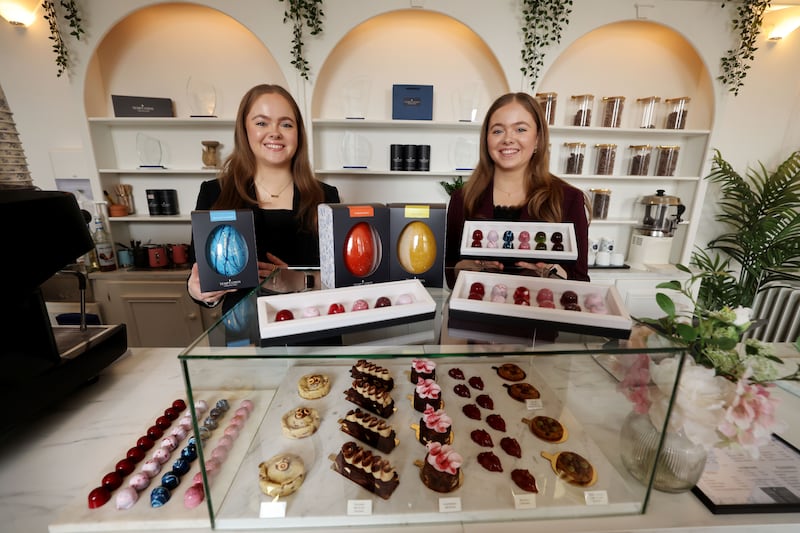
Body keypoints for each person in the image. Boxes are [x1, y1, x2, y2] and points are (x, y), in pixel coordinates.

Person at [187, 84, 340, 312]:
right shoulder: (214, 193)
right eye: (261, 123)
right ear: (244, 130)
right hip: (245, 333)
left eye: (286, 124)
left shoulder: (325, 196)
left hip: (312, 328)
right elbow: (198, 274)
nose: (275, 132)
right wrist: (199, 291)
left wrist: (298, 281)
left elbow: (342, 280)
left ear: (298, 133)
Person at [445, 92, 590, 287]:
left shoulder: (568, 199)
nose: (508, 139)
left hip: (540, 316)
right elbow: (451, 273)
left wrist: (554, 274)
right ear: (486, 139)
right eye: (497, 131)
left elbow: (580, 281)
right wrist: (464, 267)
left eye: (520, 129)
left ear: (538, 139)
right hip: (478, 315)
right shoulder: (462, 198)